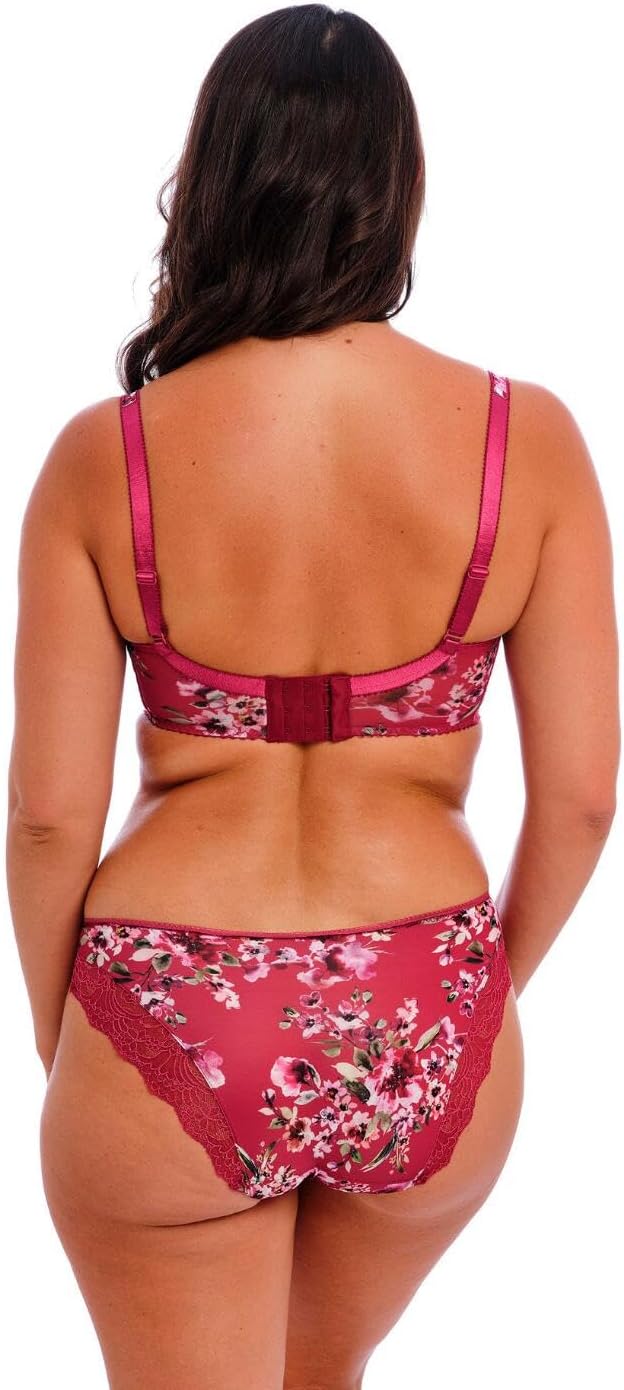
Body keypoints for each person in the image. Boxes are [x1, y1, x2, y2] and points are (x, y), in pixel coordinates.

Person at [7, 6, 619, 1390]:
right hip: (428, 995)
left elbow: (47, 814)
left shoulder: (108, 458)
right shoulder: (529, 442)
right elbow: (584, 796)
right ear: (401, 186)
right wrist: (476, 1000)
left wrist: (73, 1042)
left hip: (175, 991)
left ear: (212, 180)